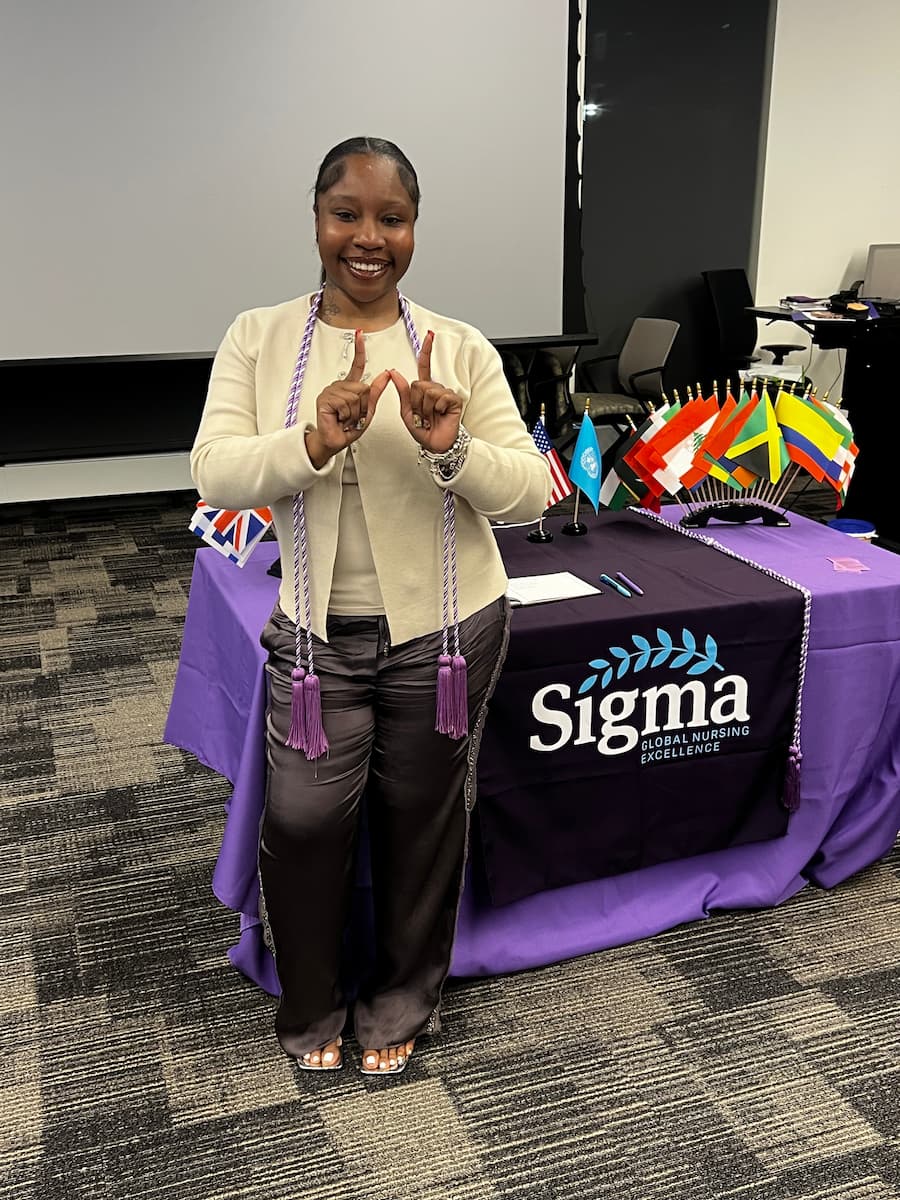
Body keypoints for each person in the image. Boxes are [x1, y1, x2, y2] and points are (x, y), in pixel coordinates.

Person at [191, 136, 551, 1076]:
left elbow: (532, 490)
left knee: (420, 822)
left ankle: (398, 1005)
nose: (368, 237)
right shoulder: (259, 336)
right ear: (316, 220)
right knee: (304, 823)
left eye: (391, 218)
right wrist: (310, 440)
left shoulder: (458, 348)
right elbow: (215, 469)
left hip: (446, 635)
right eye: (347, 213)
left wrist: (450, 446)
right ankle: (312, 1005)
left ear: (414, 230)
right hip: (317, 643)